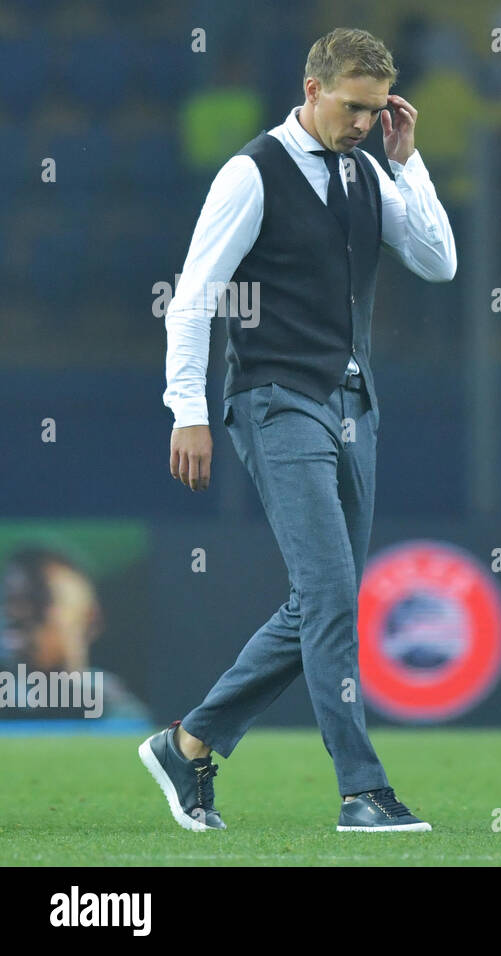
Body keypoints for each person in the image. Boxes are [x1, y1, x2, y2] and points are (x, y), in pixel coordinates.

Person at [151, 28, 456, 833]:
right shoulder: (252, 172)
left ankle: (189, 744)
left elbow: (439, 261)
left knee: (326, 601)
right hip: (275, 397)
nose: (360, 123)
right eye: (350, 107)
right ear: (312, 88)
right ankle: (362, 789)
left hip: (354, 404)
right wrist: (188, 410)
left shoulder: (367, 168)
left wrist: (407, 160)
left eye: (373, 110)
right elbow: (193, 298)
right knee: (328, 596)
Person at [0, 546, 149, 721]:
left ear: (90, 619)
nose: (14, 612)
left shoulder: (119, 714)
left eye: (39, 598)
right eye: (7, 598)